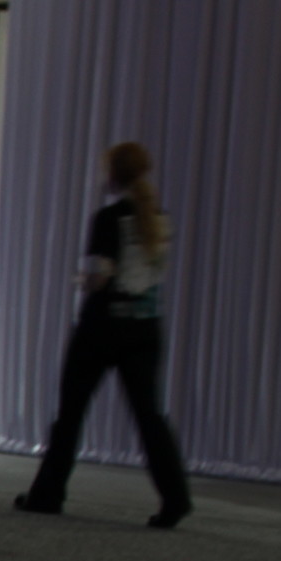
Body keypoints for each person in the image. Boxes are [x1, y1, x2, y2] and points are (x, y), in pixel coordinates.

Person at [15, 141, 192, 527]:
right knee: (150, 418)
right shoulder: (160, 219)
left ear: (113, 174)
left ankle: (47, 494)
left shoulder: (108, 219)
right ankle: (175, 498)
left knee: (71, 415)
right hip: (146, 328)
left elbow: (101, 275)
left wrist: (82, 280)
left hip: (102, 327)